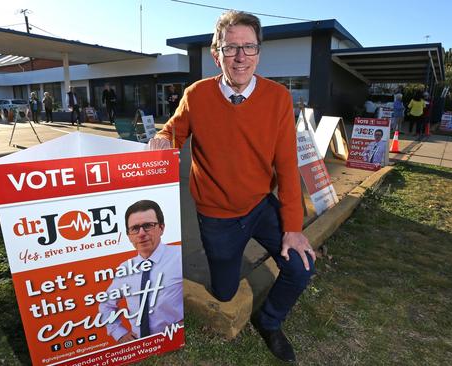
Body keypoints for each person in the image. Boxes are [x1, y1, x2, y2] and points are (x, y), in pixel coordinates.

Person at [148, 10, 315, 363]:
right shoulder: (196, 95)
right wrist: (162, 140)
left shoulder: (278, 98)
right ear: (216, 54)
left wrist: (294, 228)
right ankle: (228, 281)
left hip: (259, 206)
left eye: (249, 47)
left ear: (259, 52)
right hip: (216, 216)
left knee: (300, 266)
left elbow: (286, 166)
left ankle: (269, 321)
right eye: (231, 48)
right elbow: (172, 131)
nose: (240, 57)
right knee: (224, 294)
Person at [98, 200, 183, 343]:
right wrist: (118, 333)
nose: (141, 233)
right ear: (129, 235)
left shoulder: (179, 256)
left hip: (173, 340)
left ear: (161, 228)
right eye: (135, 228)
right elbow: (106, 304)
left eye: (148, 226)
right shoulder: (125, 268)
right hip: (138, 346)